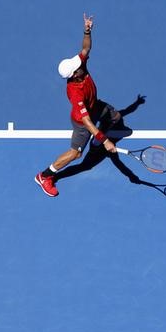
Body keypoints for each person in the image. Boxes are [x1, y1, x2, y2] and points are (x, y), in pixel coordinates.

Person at [35, 13, 117, 197]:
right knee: (76, 154)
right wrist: (105, 140)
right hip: (83, 123)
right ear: (74, 75)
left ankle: (96, 140)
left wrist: (87, 31)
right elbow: (87, 122)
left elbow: (86, 48)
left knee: (115, 117)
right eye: (78, 65)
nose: (81, 61)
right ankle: (44, 176)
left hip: (95, 106)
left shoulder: (80, 67)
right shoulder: (75, 92)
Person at [53, 94, 147, 185]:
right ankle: (55, 176)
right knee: (126, 133)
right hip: (98, 144)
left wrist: (137, 103)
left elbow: (128, 110)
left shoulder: (117, 118)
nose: (116, 114)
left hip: (103, 146)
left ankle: (56, 177)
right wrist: (131, 176)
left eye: (116, 113)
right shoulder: (111, 125)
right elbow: (119, 164)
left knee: (85, 166)